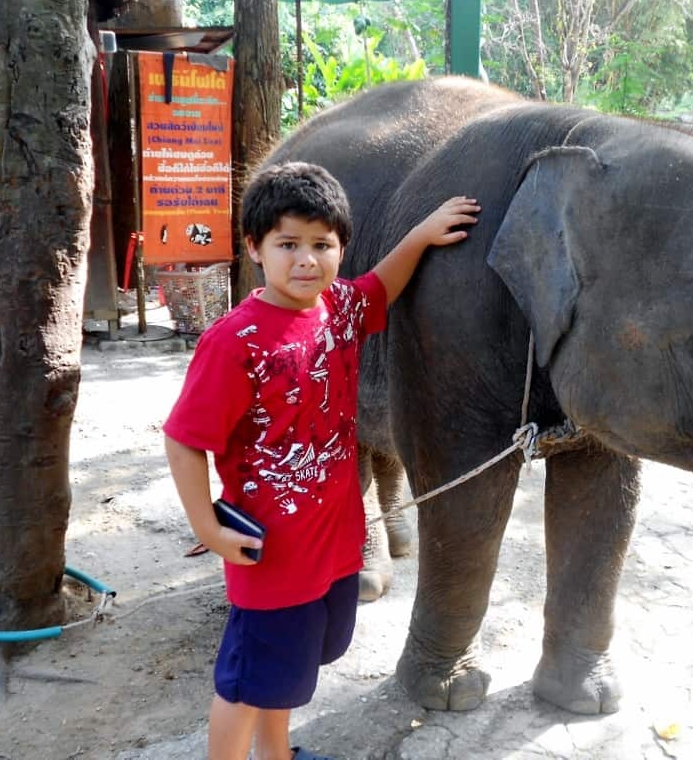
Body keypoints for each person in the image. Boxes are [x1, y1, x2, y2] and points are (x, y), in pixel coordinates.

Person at [163, 161, 480, 760]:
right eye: (288, 244)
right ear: (255, 248)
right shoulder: (236, 341)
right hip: (272, 556)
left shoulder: (337, 309)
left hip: (334, 542)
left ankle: (277, 755)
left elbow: (381, 285)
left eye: (322, 245)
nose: (306, 260)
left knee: (291, 669)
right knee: (246, 682)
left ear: (340, 249)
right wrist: (207, 524)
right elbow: (184, 438)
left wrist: (423, 231)